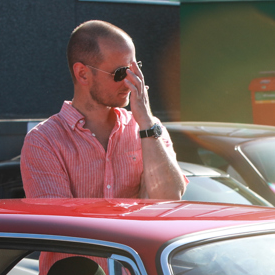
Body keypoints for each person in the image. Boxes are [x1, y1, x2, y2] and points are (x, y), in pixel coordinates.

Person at [22, 20, 186, 202]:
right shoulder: (44, 140)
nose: (131, 82)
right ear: (83, 74)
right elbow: (56, 217)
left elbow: (170, 198)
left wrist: (147, 123)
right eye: (121, 72)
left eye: (135, 69)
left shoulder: (148, 128)